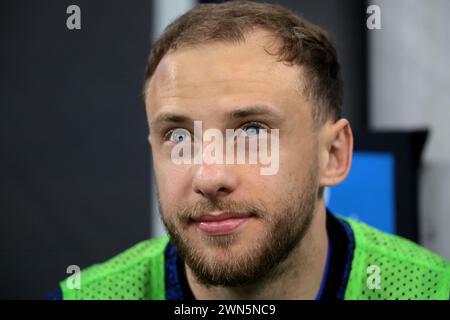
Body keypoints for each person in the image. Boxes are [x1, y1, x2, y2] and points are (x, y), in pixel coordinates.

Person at [55, 0, 449, 300]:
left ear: (333, 155)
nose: (208, 177)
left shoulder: (428, 290)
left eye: (252, 131)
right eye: (178, 137)